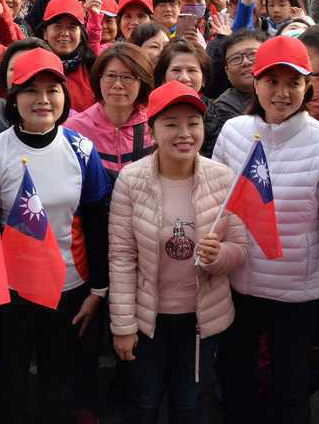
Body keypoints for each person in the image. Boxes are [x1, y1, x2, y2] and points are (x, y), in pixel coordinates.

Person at [212, 36, 319, 424]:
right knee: (236, 377)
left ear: (306, 86)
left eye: (292, 82)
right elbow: (218, 202)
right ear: (255, 82)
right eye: (271, 81)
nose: (281, 92)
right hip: (239, 282)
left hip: (297, 290)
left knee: (291, 389)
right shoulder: (232, 132)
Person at [0, 48, 111, 424]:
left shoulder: (81, 149)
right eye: (31, 90)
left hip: (68, 290)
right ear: (13, 98)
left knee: (59, 386)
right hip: (11, 294)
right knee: (12, 385)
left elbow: (98, 221)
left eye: (53, 89)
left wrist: (97, 291)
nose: (43, 99)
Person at [109, 81, 248, 424]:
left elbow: (240, 250)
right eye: (171, 123)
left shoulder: (222, 177)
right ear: (151, 129)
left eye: (193, 123)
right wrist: (123, 326)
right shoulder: (131, 179)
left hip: (201, 322)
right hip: (148, 320)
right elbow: (122, 257)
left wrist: (219, 256)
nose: (184, 133)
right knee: (145, 402)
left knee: (190, 405)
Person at [66, 42, 156, 179]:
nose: (118, 85)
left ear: (142, 82)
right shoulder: (74, 130)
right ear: (99, 78)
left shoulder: (154, 126)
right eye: (111, 76)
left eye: (127, 77)